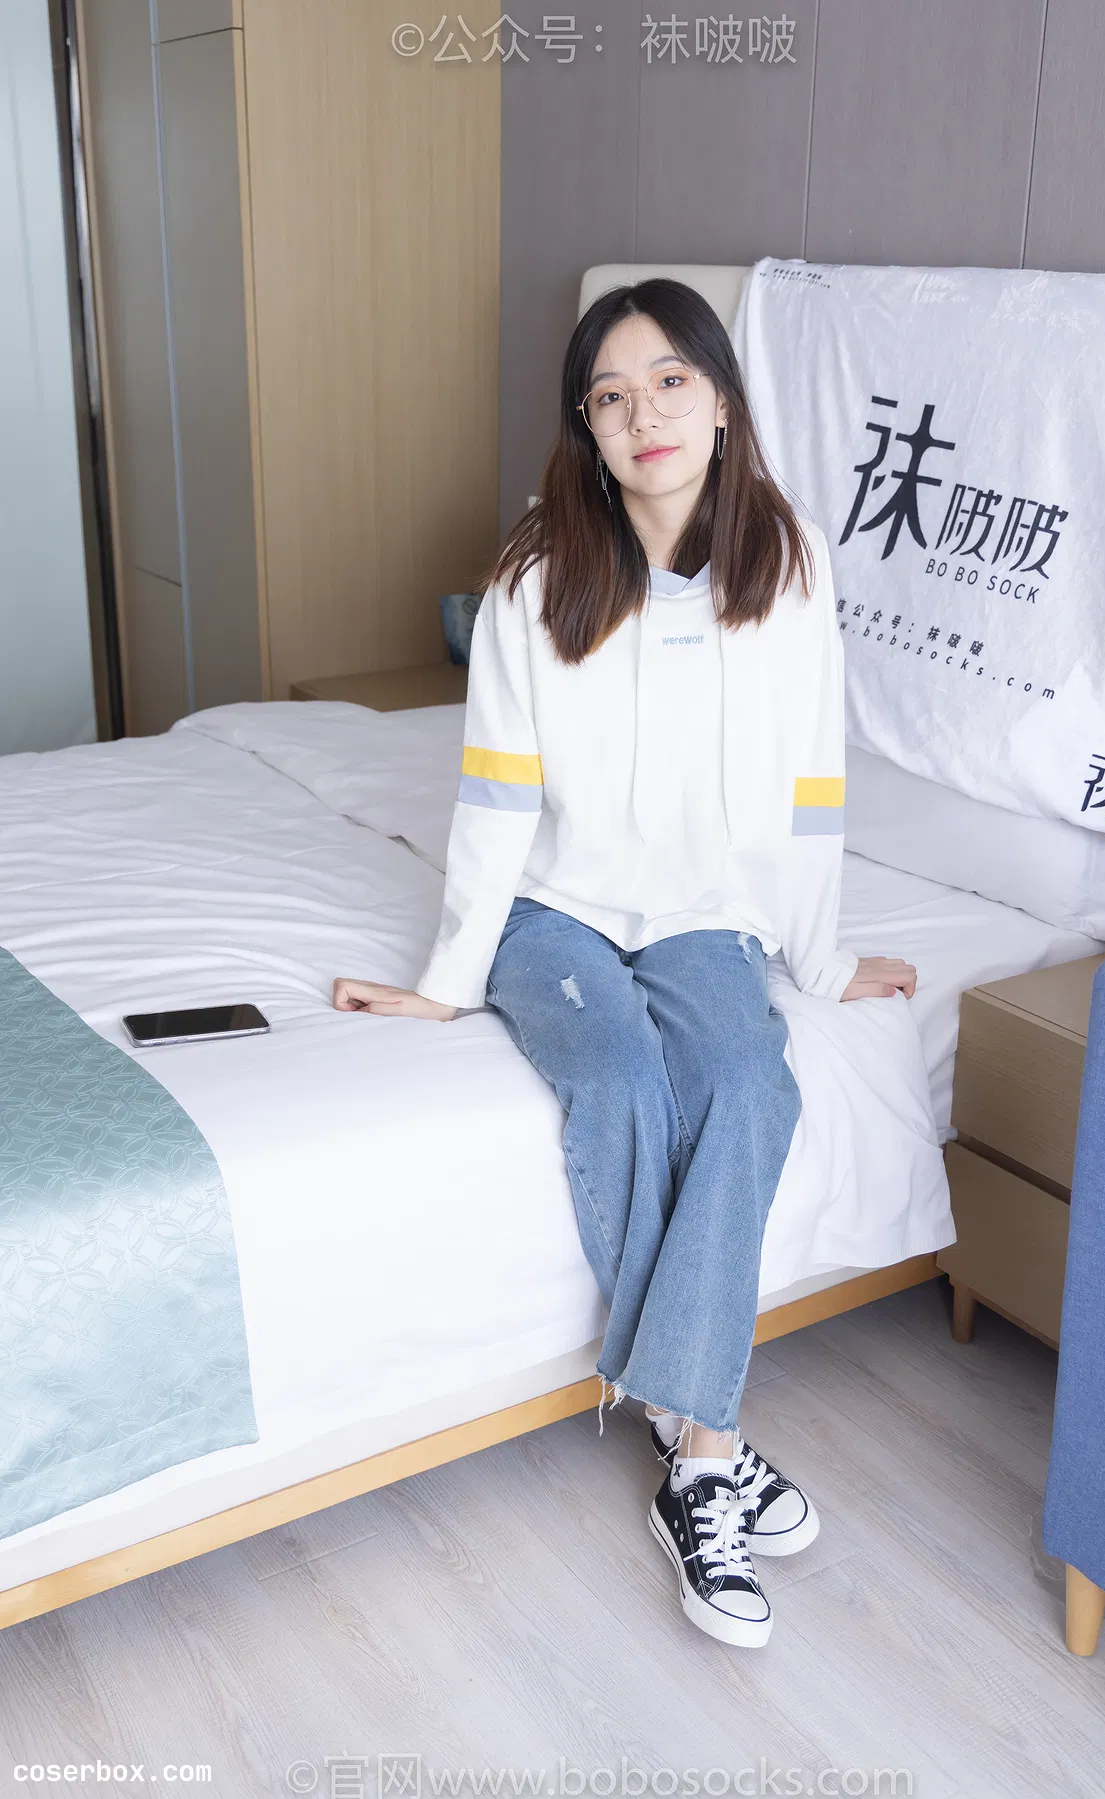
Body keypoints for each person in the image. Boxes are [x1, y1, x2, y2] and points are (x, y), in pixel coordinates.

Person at [333, 279, 916, 1650]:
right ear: (585, 431)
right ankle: (709, 1455)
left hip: (707, 914)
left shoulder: (790, 565)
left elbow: (811, 786)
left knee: (752, 1084)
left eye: (669, 381)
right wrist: (449, 977)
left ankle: (688, 1442)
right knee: (619, 1076)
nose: (643, 413)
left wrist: (820, 956)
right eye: (610, 395)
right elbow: (495, 796)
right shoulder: (537, 575)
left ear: (720, 399)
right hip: (555, 911)